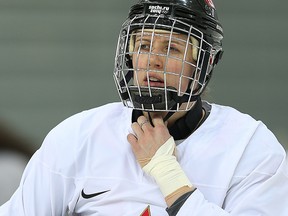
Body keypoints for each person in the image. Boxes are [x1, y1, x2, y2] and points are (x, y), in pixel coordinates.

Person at [1, 0, 287, 215]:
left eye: (171, 48)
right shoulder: (78, 137)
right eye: (144, 44)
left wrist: (169, 176)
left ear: (205, 62)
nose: (153, 59)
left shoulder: (251, 148)